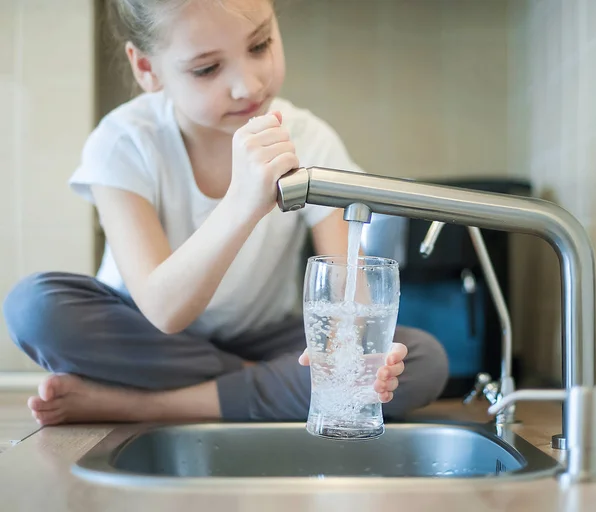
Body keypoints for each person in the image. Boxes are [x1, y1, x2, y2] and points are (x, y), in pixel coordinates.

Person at [2, 0, 448, 426]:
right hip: (145, 337)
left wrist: (351, 351)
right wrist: (243, 202)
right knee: (36, 309)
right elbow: (163, 310)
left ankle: (143, 404)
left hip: (263, 336)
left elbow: (352, 296)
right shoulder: (123, 142)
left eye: (259, 45)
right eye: (207, 69)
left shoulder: (309, 138)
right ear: (146, 68)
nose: (249, 86)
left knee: (421, 358)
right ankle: (262, 383)